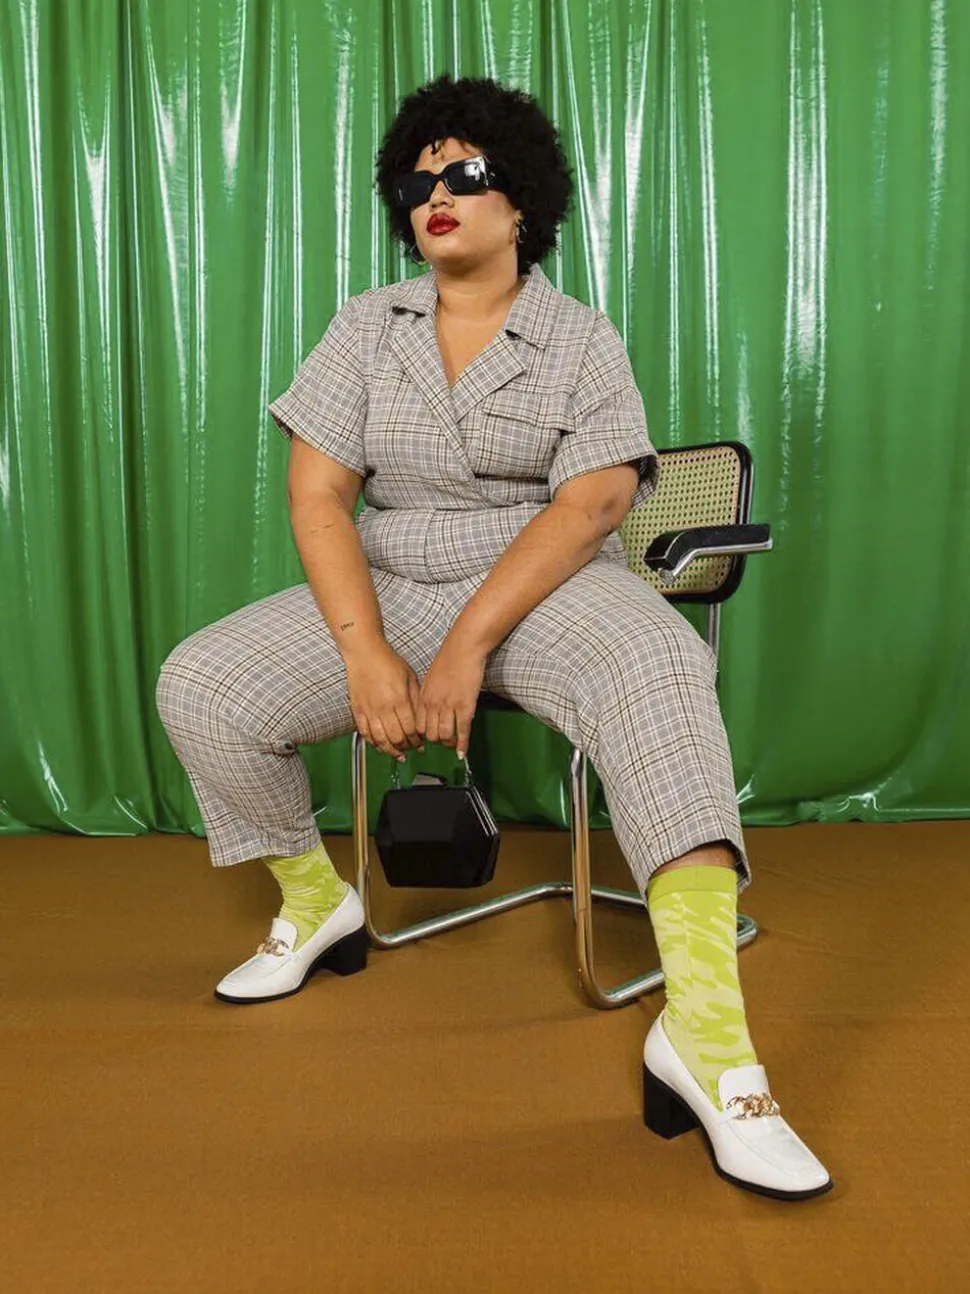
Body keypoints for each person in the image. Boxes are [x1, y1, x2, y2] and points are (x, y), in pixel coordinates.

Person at [156, 73, 831, 1200]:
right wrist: (368, 652)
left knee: (660, 664)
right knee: (204, 683)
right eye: (417, 180)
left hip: (545, 586)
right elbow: (318, 496)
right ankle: (317, 902)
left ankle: (709, 1042)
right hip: (391, 578)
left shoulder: (579, 337)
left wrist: (467, 645)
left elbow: (595, 503)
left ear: (520, 201)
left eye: (465, 175)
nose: (437, 194)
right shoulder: (365, 327)